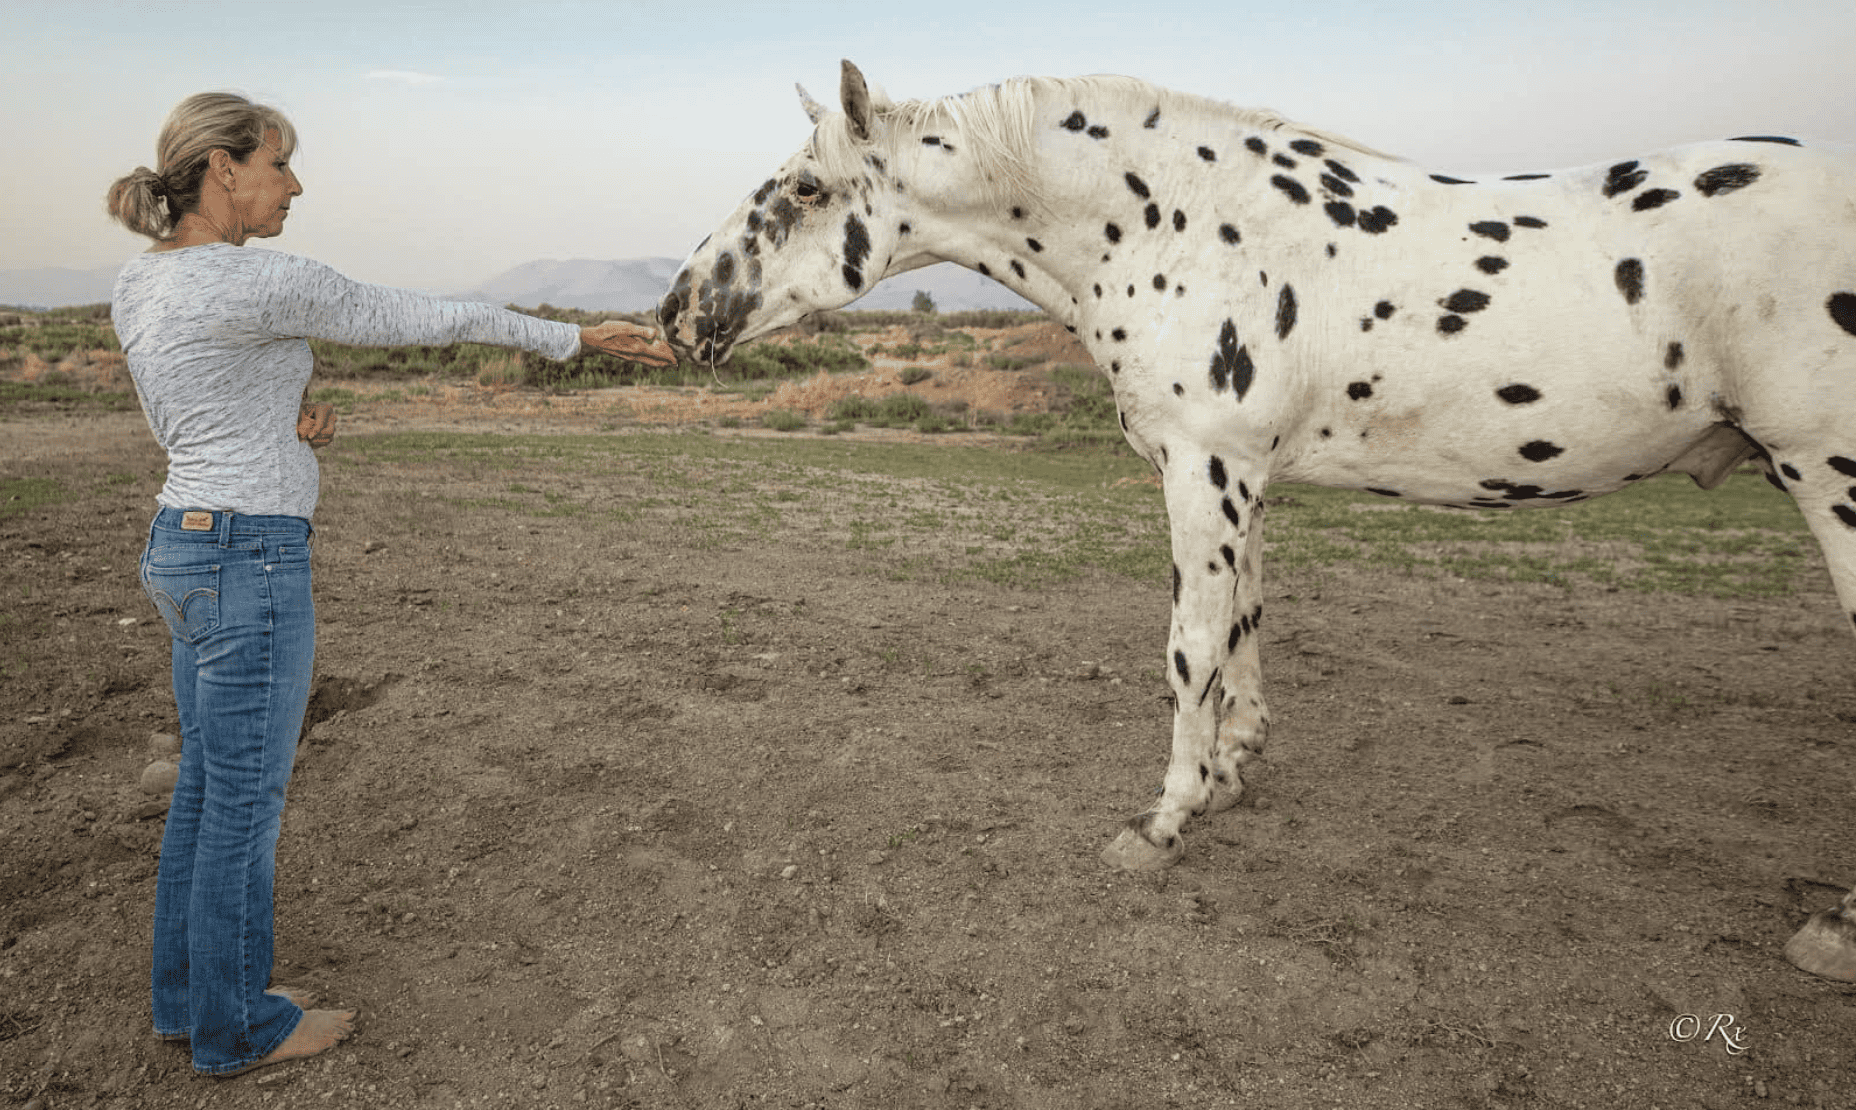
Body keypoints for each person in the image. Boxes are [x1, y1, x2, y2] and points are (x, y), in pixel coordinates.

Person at [105, 91, 674, 1078]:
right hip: (249, 559)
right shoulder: (257, 283)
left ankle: (186, 1003)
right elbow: (418, 316)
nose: (295, 183)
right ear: (222, 168)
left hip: (183, 548)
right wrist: (573, 339)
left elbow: (191, 418)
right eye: (279, 162)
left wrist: (282, 428)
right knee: (243, 799)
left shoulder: (137, 285)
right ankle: (236, 1029)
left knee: (204, 787)